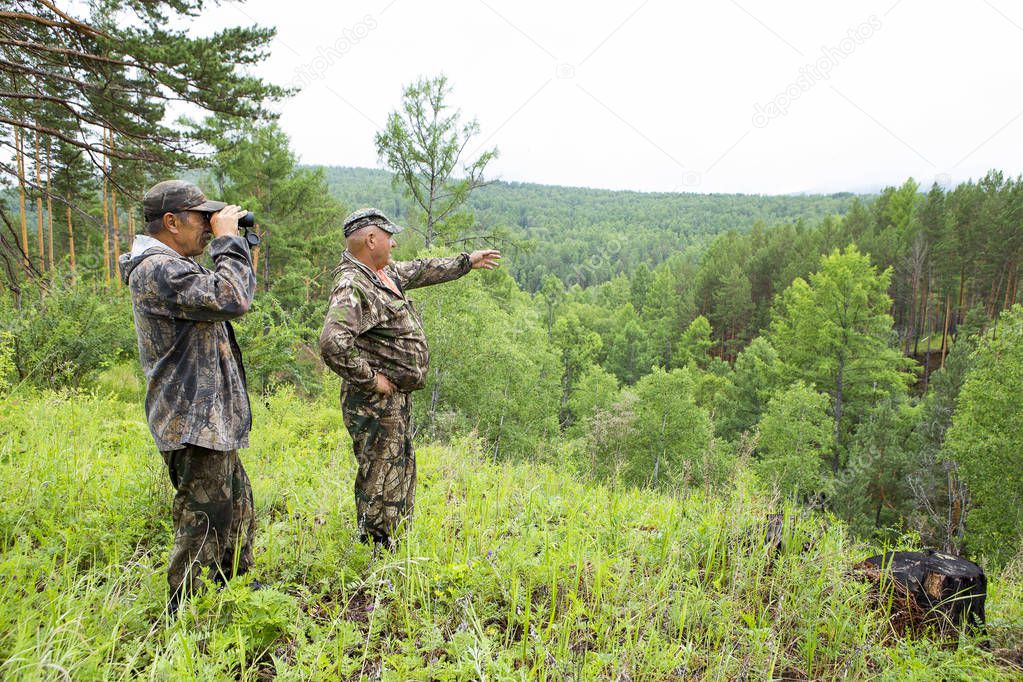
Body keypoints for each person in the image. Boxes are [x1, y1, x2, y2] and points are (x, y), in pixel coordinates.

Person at [320, 208, 500, 548]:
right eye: (389, 236)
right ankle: (374, 546)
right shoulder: (352, 284)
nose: (395, 241)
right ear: (371, 239)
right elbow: (332, 342)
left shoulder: (382, 272)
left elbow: (423, 268)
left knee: (399, 467)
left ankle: (395, 541)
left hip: (394, 399)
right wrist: (371, 379)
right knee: (378, 473)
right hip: (373, 402)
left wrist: (468, 261)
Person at [118, 180, 257, 616]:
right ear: (171, 222)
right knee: (202, 528)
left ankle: (227, 608)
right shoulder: (157, 269)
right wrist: (229, 241)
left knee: (236, 519)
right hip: (192, 423)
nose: (207, 227)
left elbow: (233, 293)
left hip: (210, 422)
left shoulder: (175, 265)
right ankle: (184, 622)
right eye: (201, 219)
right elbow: (232, 297)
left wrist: (237, 244)